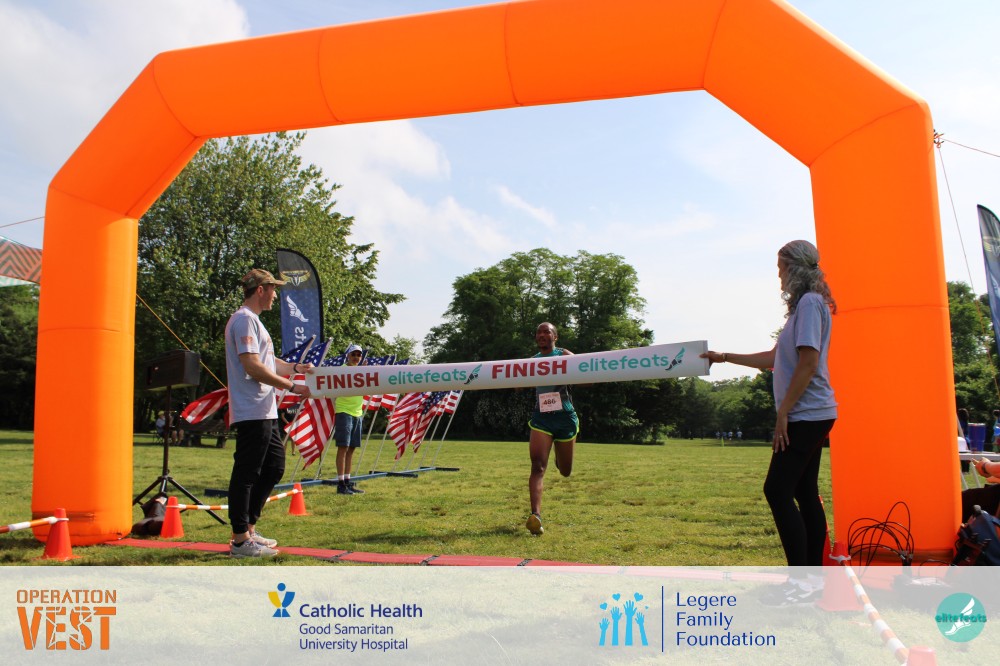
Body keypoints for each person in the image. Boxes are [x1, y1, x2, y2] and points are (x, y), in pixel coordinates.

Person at [701, 240, 837, 605]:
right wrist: (723, 357)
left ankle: (803, 583)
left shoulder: (809, 304)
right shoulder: (803, 308)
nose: (778, 275)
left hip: (807, 414)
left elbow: (809, 363)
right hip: (812, 413)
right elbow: (774, 359)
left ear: (794, 268)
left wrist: (783, 413)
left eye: (780, 268)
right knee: (803, 493)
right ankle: (812, 581)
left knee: (777, 490)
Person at [224, 268, 313, 558]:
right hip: (252, 409)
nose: (276, 295)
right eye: (273, 289)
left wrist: (296, 369)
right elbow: (252, 365)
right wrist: (292, 387)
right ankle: (240, 540)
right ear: (261, 290)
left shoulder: (255, 322)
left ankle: (249, 529)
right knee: (247, 472)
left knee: (274, 467)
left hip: (265, 409)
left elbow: (269, 362)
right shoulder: (244, 320)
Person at [525, 322, 579, 536]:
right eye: (538, 332)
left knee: (565, 471)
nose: (541, 334)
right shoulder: (532, 361)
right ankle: (535, 516)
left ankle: (559, 456)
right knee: (537, 467)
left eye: (546, 331)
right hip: (542, 419)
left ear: (555, 337)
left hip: (565, 418)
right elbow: (517, 384)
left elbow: (586, 373)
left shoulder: (564, 354)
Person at [335, 343, 366, 495]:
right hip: (344, 411)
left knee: (351, 448)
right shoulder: (342, 369)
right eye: (353, 354)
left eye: (359, 355)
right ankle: (340, 484)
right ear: (348, 355)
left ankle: (347, 482)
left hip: (357, 412)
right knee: (343, 447)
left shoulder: (362, 372)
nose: (356, 357)